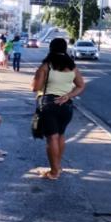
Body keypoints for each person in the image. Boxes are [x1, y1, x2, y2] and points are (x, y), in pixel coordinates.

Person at [31, 38, 85, 180]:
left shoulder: (46, 66)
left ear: (51, 48)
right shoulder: (72, 67)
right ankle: (58, 167)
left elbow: (35, 87)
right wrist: (68, 95)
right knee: (60, 135)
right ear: (65, 49)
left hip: (49, 104)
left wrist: (36, 75)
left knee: (52, 138)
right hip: (67, 106)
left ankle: (54, 173)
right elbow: (81, 85)